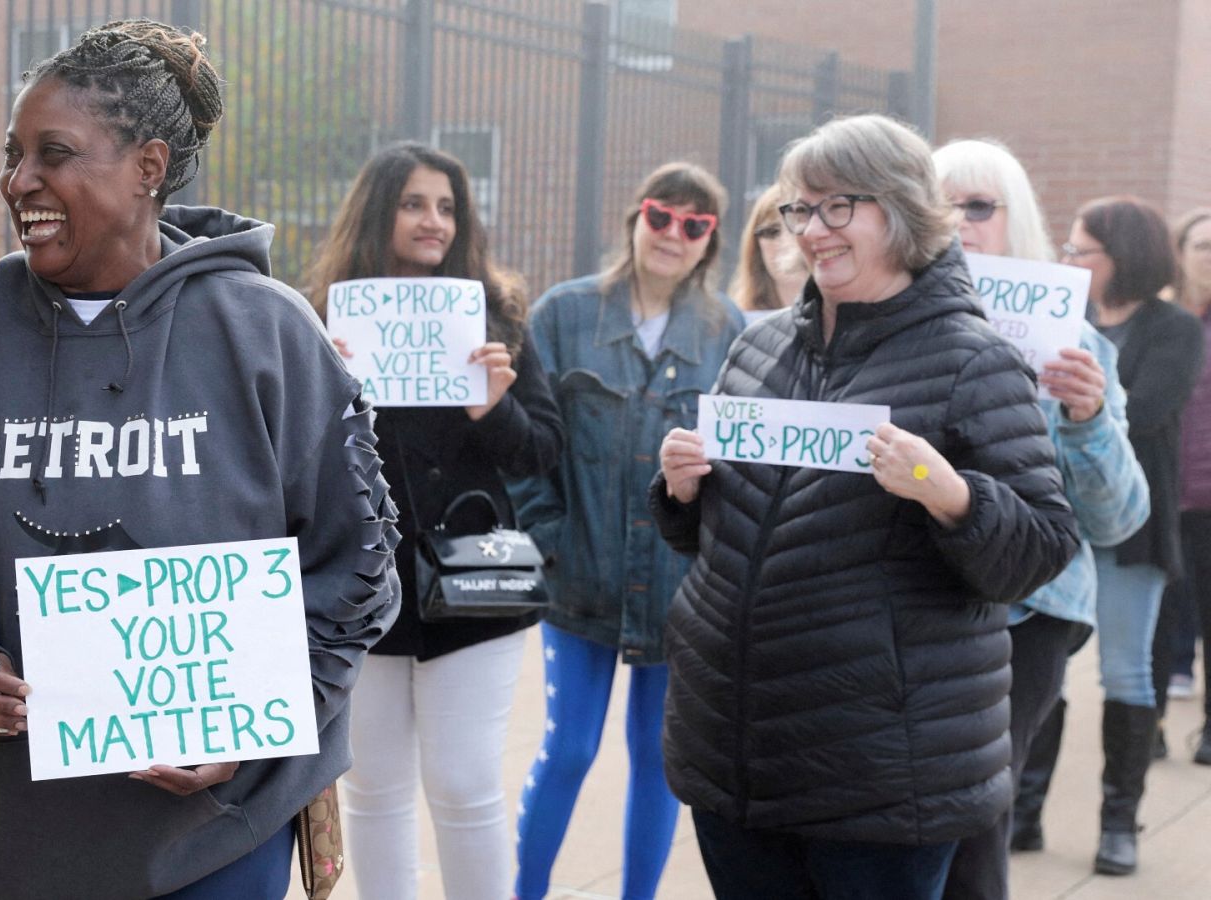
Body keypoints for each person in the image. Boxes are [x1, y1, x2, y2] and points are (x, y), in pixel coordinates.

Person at [0, 21, 400, 899]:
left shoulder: (267, 334)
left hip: (217, 840)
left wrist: (253, 719)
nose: (20, 182)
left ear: (149, 168)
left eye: (53, 153)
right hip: (9, 842)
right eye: (13, 156)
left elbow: (354, 564)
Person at [651, 114, 1080, 900]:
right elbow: (722, 538)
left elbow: (1043, 548)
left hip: (883, 778)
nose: (813, 231)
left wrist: (952, 496)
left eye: (837, 207)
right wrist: (682, 492)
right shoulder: (759, 348)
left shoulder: (973, 361)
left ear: (904, 209)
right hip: (736, 758)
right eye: (799, 209)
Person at [305, 142, 563, 900]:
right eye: (416, 204)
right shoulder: (320, 317)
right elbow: (281, 460)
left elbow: (543, 451)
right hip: (363, 589)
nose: (434, 222)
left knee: (465, 785)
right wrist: (324, 385)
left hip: (475, 585)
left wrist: (494, 406)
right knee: (375, 788)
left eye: (448, 207)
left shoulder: (495, 314)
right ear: (378, 210)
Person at [508, 161, 743, 900]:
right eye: (662, 216)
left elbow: (740, 464)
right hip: (580, 578)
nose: (675, 234)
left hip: (679, 590)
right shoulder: (563, 315)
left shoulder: (728, 333)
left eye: (695, 225)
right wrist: (545, 539)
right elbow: (526, 443)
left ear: (710, 242)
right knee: (570, 748)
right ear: (636, 220)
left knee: (658, 756)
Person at [932, 139, 1148, 899]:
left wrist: (1087, 417)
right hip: (916, 591)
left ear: (1013, 218)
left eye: (979, 206)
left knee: (979, 805)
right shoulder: (887, 325)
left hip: (1029, 610)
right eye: (941, 204)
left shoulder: (1075, 344)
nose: (959, 222)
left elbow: (1118, 519)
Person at [1036, 196, 1203, 875]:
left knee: (1127, 667)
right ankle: (1022, 810)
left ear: (1122, 256)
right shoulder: (1063, 321)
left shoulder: (1175, 329)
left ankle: (1118, 823)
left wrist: (1086, 409)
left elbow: (1150, 411)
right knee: (1046, 664)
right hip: (1058, 518)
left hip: (1134, 518)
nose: (1070, 261)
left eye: (1082, 251)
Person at [1151, 207, 1211, 764]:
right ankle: (1152, 725)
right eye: (1202, 245)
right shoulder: (1162, 321)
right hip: (1164, 491)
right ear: (1181, 252)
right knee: (1160, 615)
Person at [729, 182, 808, 314]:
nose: (784, 241)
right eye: (771, 232)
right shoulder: (737, 324)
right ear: (756, 245)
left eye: (793, 227)